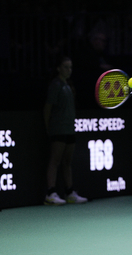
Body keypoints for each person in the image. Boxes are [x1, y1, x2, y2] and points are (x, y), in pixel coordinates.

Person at [43, 56, 88, 205]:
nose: (69, 70)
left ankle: (69, 193)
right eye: (66, 67)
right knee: (55, 161)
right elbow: (48, 108)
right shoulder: (55, 85)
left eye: (70, 67)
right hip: (58, 128)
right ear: (58, 68)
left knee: (67, 162)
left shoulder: (68, 85)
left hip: (69, 128)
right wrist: (48, 128)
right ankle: (50, 193)